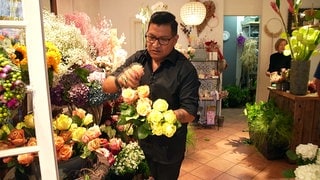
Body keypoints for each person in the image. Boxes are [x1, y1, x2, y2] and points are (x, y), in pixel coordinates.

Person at [102, 11, 200, 180]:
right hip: (140, 143)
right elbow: (106, 86)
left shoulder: (185, 69)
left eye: (163, 40)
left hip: (169, 148)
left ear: (175, 40)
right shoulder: (139, 58)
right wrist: (121, 80)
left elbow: (190, 112)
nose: (155, 44)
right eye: (151, 37)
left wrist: (162, 117)